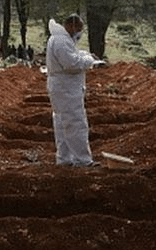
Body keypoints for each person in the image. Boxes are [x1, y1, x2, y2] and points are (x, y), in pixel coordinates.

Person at [46, 14, 105, 167]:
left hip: (62, 88)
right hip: (66, 89)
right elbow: (71, 64)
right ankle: (82, 160)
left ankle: (65, 159)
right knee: (75, 123)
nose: (79, 33)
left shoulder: (61, 39)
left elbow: (72, 55)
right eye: (78, 29)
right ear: (71, 26)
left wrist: (85, 55)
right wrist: (89, 61)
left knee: (63, 123)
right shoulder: (61, 41)